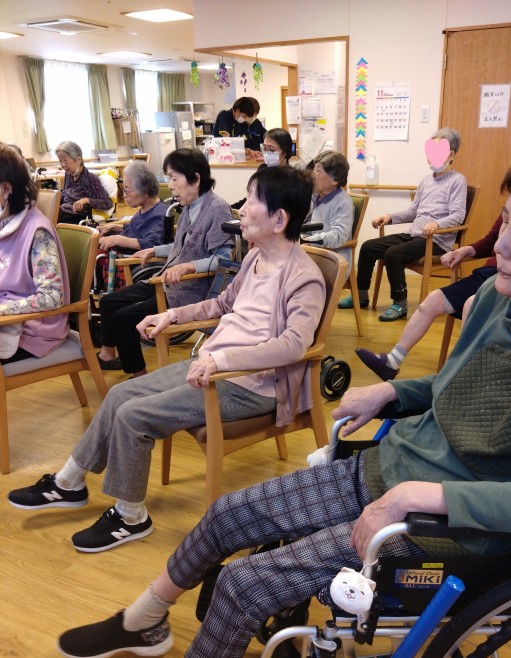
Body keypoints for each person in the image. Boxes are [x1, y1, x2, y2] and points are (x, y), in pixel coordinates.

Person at [44, 136, 511, 658]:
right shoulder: (506, 298)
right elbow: (458, 392)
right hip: (394, 471)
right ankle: (145, 618)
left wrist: (414, 496)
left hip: (448, 525)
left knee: (245, 583)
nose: (497, 245)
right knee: (228, 513)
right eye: (504, 221)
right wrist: (396, 392)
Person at [9, 165, 325, 557]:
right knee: (120, 394)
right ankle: (69, 482)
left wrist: (224, 358)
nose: (242, 210)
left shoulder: (304, 277)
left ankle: (130, 516)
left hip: (251, 385)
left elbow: (294, 345)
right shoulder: (255, 259)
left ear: (279, 219)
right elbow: (222, 304)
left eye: (253, 201)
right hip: (214, 366)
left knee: (134, 416)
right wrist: (172, 316)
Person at [356, 134, 511, 380]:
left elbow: (458, 217)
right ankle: (391, 361)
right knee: (430, 299)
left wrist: (438, 227)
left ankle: (459, 374)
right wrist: (466, 250)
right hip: (486, 271)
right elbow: (491, 240)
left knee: (469, 304)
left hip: (482, 264)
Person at [94, 148, 233, 377]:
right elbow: (182, 247)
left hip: (191, 291)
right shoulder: (189, 207)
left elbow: (224, 260)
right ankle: (115, 360)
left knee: (122, 319)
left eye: (174, 179)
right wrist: (154, 250)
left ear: (196, 179)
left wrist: (188, 266)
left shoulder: (217, 209)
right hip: (169, 283)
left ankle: (138, 377)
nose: (170, 185)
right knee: (110, 303)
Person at [340, 127, 466, 322]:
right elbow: (413, 211)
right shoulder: (426, 181)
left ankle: (400, 304)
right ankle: (361, 296)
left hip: (436, 241)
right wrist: (389, 217)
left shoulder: (458, 181)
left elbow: (458, 215)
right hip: (414, 234)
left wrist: (436, 224)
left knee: (393, 254)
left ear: (451, 154)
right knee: (368, 247)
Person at [0, 144, 70, 362]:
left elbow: (52, 297)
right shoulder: (4, 223)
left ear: (5, 189)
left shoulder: (37, 231)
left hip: (31, 330)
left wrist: (2, 309)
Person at [302, 150, 354, 277]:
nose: (313, 175)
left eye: (318, 171)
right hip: (308, 253)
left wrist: (307, 240)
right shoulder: (313, 196)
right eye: (314, 170)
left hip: (332, 259)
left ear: (335, 179)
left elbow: (338, 236)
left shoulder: (343, 202)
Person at [97, 160, 166, 253]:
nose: (124, 195)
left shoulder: (159, 214)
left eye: (127, 190)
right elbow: (138, 229)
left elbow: (153, 244)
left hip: (129, 258)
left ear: (145, 190)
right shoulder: (146, 208)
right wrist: (114, 227)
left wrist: (118, 240)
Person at [230, 127, 293, 210]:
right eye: (265, 149)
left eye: (271, 150)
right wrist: (229, 208)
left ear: (284, 152)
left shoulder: (291, 178)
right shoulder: (263, 169)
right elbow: (251, 198)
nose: (266, 153)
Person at [55, 141, 113, 224]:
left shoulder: (89, 178)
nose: (63, 165)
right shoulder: (69, 174)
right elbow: (65, 195)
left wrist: (86, 200)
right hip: (64, 212)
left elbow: (108, 203)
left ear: (78, 160)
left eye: (65, 160)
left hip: (77, 217)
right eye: (60, 161)